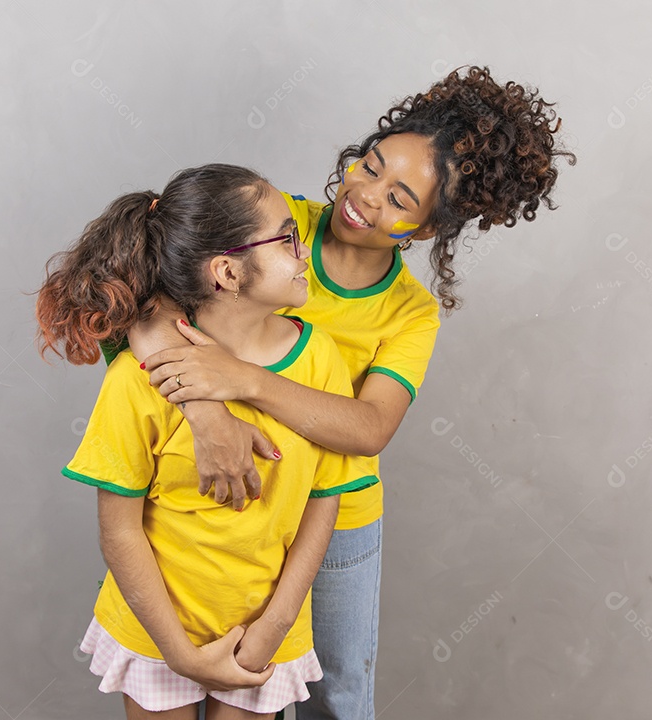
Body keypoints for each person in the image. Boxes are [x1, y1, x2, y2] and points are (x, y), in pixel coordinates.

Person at [129, 66, 575, 719]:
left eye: (399, 200)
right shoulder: (271, 221)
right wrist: (206, 411)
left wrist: (246, 380)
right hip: (223, 494)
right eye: (370, 165)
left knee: (332, 696)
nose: (364, 195)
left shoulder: (410, 314)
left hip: (335, 521)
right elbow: (141, 306)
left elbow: (368, 429)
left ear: (424, 231)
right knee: (203, 678)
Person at [35, 164, 376, 719]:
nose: (304, 253)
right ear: (227, 271)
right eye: (289, 239)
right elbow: (119, 530)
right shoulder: (135, 381)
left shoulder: (319, 361)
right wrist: (178, 652)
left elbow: (324, 501)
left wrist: (276, 624)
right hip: (157, 633)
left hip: (264, 633)